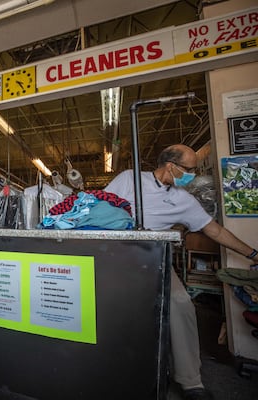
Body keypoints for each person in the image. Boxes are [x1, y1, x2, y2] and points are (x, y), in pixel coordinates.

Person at [105, 144, 258, 400]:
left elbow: (216, 231)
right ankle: (108, 368)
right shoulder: (129, 179)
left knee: (180, 303)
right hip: (117, 255)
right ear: (171, 166)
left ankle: (190, 381)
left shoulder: (184, 199)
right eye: (189, 169)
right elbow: (101, 206)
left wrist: (253, 254)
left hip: (155, 259)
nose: (193, 175)